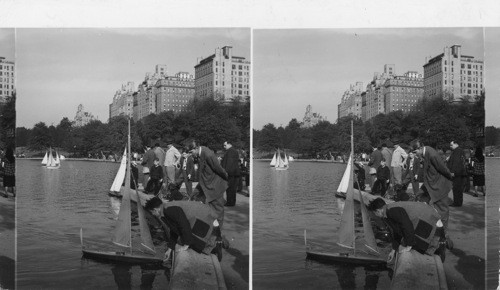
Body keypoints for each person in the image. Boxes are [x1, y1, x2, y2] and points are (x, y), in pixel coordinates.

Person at [367, 198, 446, 263]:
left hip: (433, 224)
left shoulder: (392, 211)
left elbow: (406, 226)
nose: (375, 216)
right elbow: (397, 231)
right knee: (414, 242)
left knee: (427, 247)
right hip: (432, 221)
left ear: (378, 210)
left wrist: (409, 245)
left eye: (374, 213)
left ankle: (442, 246)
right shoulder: (388, 210)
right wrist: (393, 250)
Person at [410, 139, 453, 248]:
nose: (415, 155)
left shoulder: (432, 153)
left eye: (415, 152)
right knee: (418, 199)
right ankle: (418, 226)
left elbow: (442, 168)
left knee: (442, 211)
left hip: (439, 185)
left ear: (420, 148)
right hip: (429, 183)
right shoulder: (424, 153)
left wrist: (450, 177)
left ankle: (444, 235)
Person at [190, 139, 228, 227]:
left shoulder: (208, 154)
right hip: (204, 182)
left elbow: (218, 169)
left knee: (217, 210)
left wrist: (226, 179)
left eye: (190, 151)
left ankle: (218, 235)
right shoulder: (199, 153)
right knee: (193, 198)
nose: (190, 154)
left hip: (214, 185)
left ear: (195, 148)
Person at [446, 141, 467, 207]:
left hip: (457, 173)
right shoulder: (460, 151)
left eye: (451, 145)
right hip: (460, 172)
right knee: (459, 188)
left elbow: (456, 162)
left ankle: (457, 202)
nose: (450, 146)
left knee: (456, 188)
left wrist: (452, 172)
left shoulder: (457, 151)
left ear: (456, 144)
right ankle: (459, 202)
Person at [221, 141, 241, 207]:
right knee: (233, 188)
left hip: (231, 173)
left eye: (225, 145)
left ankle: (230, 202)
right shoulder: (234, 151)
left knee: (230, 188)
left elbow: (229, 162)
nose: (224, 147)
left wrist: (226, 172)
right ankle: (232, 202)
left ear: (229, 144)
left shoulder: (230, 151)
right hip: (234, 172)